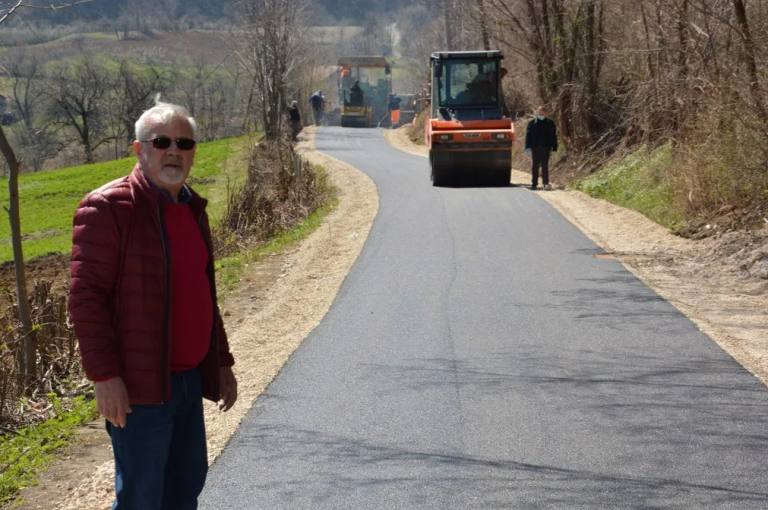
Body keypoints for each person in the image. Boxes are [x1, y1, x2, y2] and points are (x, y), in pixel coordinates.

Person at [69, 97, 238, 510]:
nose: (174, 151)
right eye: (161, 141)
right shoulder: (108, 207)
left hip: (187, 380)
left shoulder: (193, 207)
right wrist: (104, 375)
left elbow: (202, 292)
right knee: (142, 498)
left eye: (185, 143)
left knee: (185, 489)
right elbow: (85, 297)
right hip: (139, 387)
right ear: (139, 149)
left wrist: (221, 361)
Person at [525, 106, 558, 190]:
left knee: (544, 166)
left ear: (545, 112)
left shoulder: (550, 123)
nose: (541, 113)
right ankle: (534, 184)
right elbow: (528, 136)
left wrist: (554, 147)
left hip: (546, 148)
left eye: (543, 111)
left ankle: (545, 183)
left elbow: (553, 136)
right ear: (537, 112)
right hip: (535, 148)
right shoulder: (532, 123)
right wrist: (527, 146)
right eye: (539, 111)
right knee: (535, 166)